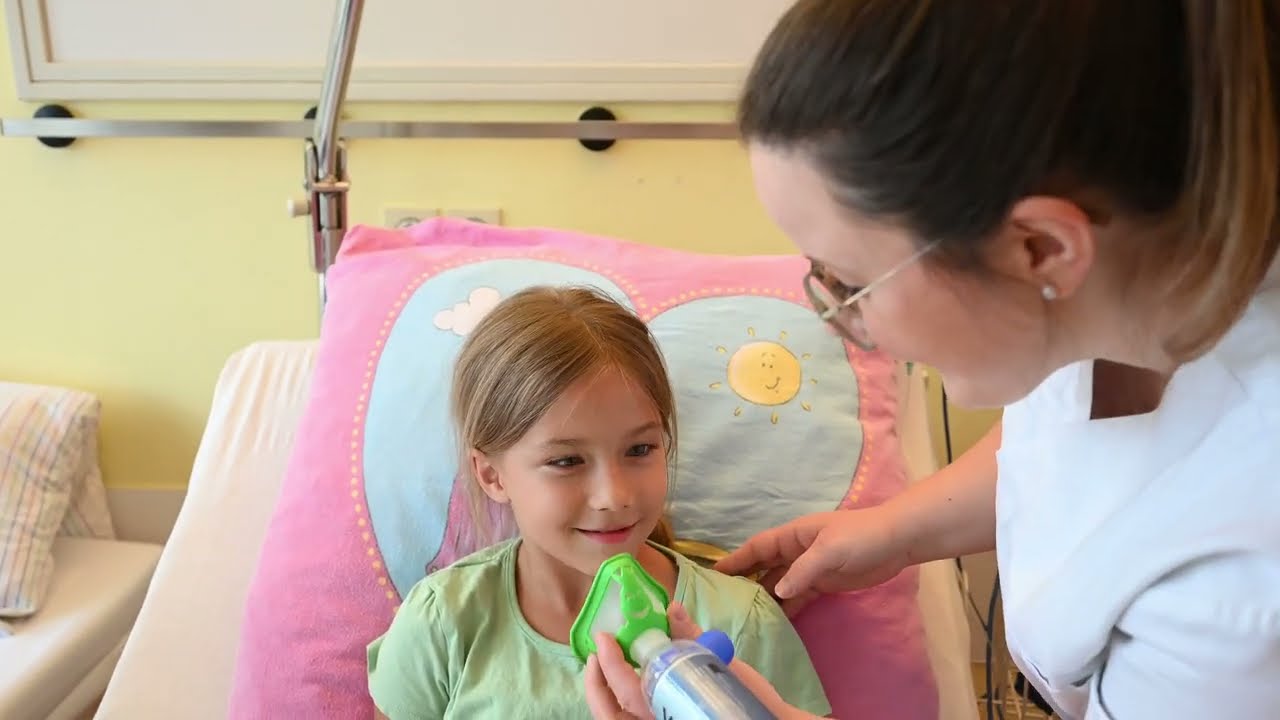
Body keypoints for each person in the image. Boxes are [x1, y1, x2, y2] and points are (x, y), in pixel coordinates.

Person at [586, 1, 1280, 719]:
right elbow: (1073, 439)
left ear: (1040, 249)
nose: (836, 317)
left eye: (852, 285)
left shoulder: (1246, 567)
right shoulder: (1131, 287)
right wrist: (899, 528)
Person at [366, 286, 832, 719]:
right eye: (567, 460)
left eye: (639, 450)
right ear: (491, 474)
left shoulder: (741, 623)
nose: (614, 496)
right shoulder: (444, 625)